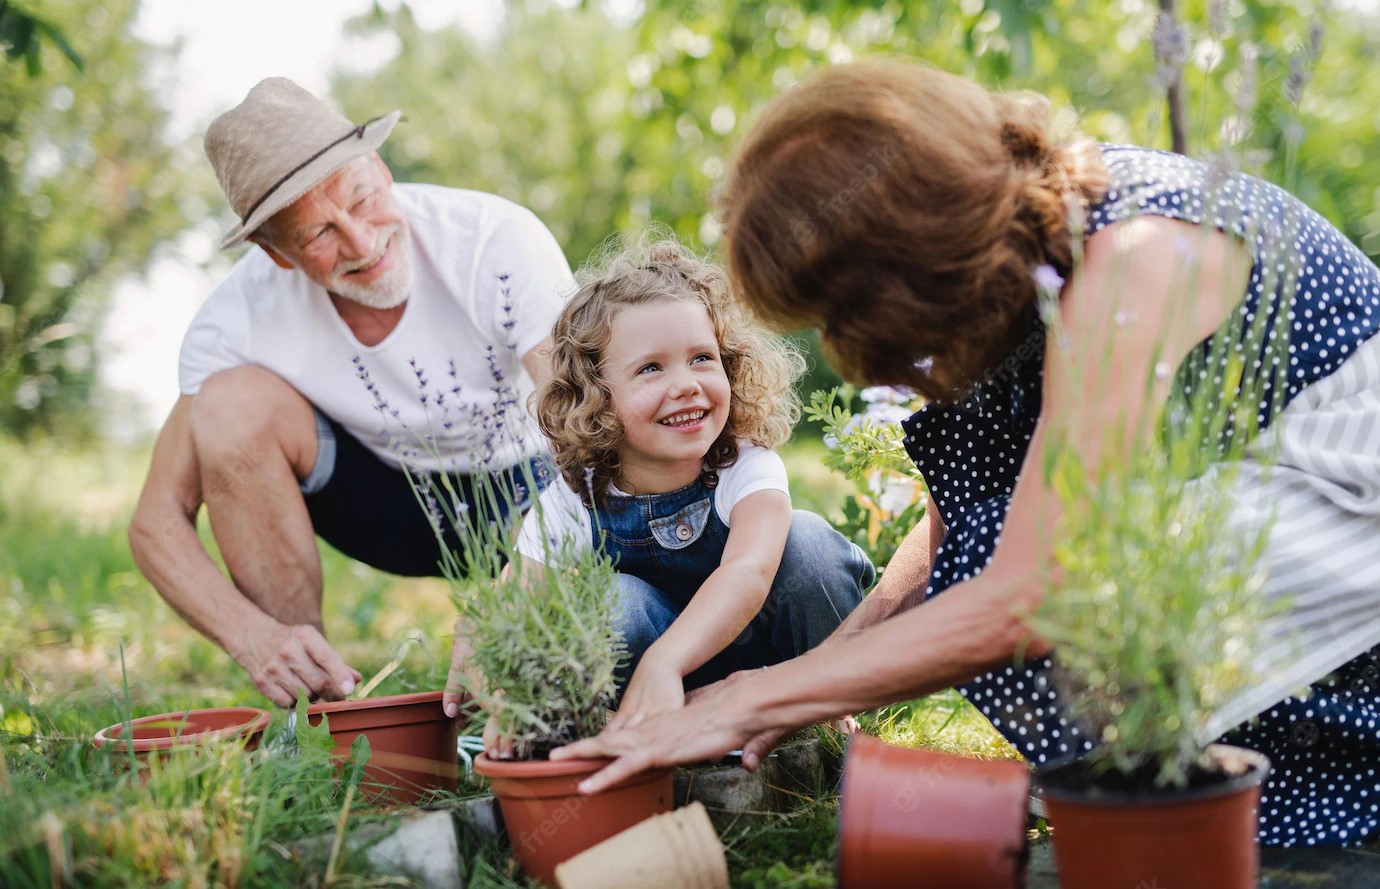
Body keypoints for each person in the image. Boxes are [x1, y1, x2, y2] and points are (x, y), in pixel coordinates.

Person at [551, 61, 1380, 846]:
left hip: (1348, 506)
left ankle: (1263, 796)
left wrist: (744, 698)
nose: (843, 348)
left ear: (906, 263)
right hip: (1255, 522)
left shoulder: (1131, 262)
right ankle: (1183, 801)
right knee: (985, 551)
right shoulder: (1020, 266)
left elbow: (1029, 590)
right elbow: (955, 534)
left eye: (839, 311)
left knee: (1052, 591)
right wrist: (812, 678)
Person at [128, 78, 574, 708]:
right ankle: (311, 707)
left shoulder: (495, 240)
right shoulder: (234, 320)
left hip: (528, 489)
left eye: (361, 200)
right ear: (274, 252)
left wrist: (524, 579)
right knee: (227, 404)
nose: (362, 244)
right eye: (318, 235)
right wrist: (253, 637)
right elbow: (155, 523)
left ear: (382, 171)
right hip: (384, 504)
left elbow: (594, 437)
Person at [443, 240, 874, 746]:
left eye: (701, 359)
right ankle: (642, 731)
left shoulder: (745, 464)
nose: (686, 383)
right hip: (655, 692)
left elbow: (748, 571)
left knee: (811, 547)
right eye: (652, 368)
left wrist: (668, 660)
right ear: (598, 397)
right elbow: (524, 601)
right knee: (610, 603)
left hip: (770, 667)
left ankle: (824, 707)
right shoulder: (576, 496)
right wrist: (501, 671)